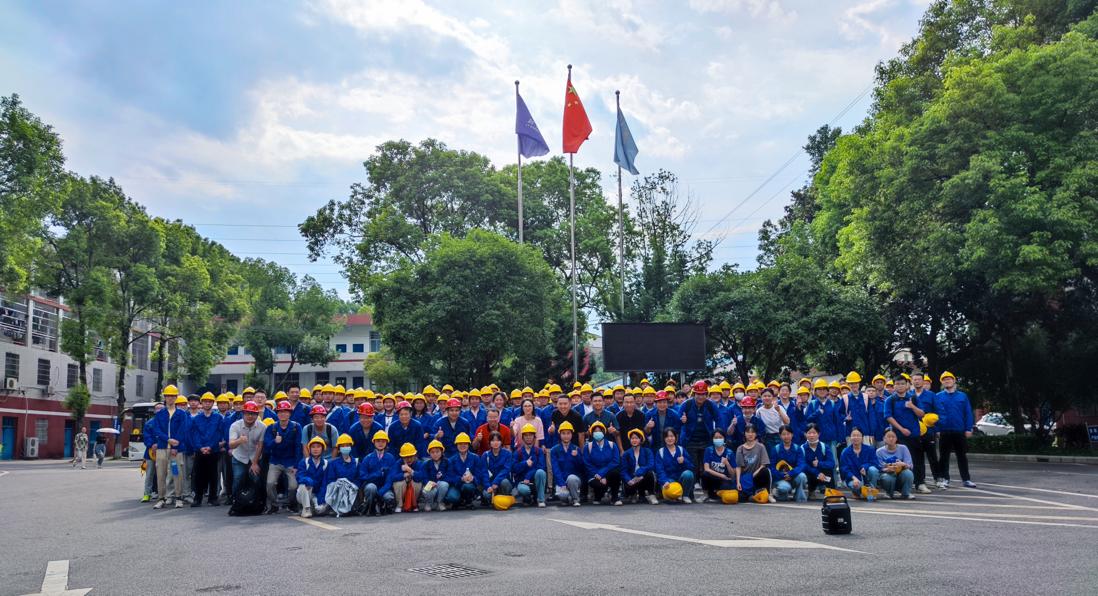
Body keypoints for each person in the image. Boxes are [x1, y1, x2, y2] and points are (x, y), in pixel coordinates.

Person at [150, 386, 190, 510]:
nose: (170, 398)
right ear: (165, 397)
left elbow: (183, 430)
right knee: (161, 474)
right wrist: (168, 440)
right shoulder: (160, 414)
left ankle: (178, 498)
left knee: (177, 473)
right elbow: (156, 430)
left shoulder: (181, 413)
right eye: (168, 396)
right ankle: (161, 498)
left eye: (173, 396)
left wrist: (175, 445)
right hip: (162, 448)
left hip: (176, 450)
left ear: (176, 397)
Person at [935, 371, 976, 488]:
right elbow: (934, 414)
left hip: (959, 430)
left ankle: (966, 479)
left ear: (954, 381)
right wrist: (937, 429)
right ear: (942, 382)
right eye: (945, 380)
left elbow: (968, 413)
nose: (947, 381)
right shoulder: (938, 396)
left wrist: (968, 428)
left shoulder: (962, 396)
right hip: (944, 430)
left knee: (962, 455)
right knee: (944, 456)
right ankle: (945, 478)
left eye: (949, 379)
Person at [884, 375, 926, 490]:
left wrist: (912, 406)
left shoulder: (913, 398)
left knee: (917, 459)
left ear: (907, 385)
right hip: (898, 436)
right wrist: (901, 429)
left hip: (914, 434)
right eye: (897, 384)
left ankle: (920, 483)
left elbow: (922, 414)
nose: (900, 386)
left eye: (902, 383)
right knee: (899, 461)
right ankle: (902, 485)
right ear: (894, 386)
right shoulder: (890, 400)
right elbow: (888, 417)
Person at [227, 400, 266, 507]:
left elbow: (260, 446)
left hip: (255, 457)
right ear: (243, 414)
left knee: (256, 479)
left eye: (253, 414)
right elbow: (231, 445)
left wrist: (255, 463)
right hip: (239, 457)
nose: (250, 416)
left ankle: (257, 501)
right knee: (238, 478)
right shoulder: (235, 426)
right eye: (247, 413)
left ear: (257, 415)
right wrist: (239, 440)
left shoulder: (262, 426)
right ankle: (235, 501)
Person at [264, 401, 302, 514]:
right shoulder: (271, 428)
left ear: (290, 413)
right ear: (277, 413)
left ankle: (291, 504)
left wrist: (296, 465)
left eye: (286, 412)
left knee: (293, 486)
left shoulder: (296, 427)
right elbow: (266, 446)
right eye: (280, 412)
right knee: (270, 483)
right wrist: (275, 442)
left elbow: (298, 447)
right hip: (275, 461)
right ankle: (274, 505)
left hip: (290, 461)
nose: (283, 414)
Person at [189, 392, 225, 507]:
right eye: (205, 401)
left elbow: (218, 434)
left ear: (212, 403)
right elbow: (194, 434)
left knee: (213, 475)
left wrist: (210, 446)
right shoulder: (197, 418)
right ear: (202, 403)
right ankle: (197, 498)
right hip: (200, 451)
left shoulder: (218, 417)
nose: (207, 403)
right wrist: (200, 447)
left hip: (213, 450)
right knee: (198, 475)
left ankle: (213, 498)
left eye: (209, 402)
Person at [680, 381, 720, 477]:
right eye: (698, 394)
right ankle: (694, 483)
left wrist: (718, 437)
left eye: (703, 394)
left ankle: (705, 483)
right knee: (693, 466)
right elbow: (677, 423)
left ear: (706, 394)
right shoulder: (686, 405)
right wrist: (682, 420)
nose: (700, 397)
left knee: (706, 467)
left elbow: (719, 421)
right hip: (690, 441)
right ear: (694, 394)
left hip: (707, 440)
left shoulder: (711, 405)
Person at [357, 430, 396, 515]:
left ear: (386, 443)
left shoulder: (391, 458)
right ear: (374, 442)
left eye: (383, 441)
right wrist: (377, 474)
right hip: (371, 486)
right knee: (371, 488)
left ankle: (382, 506)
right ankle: (370, 507)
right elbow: (363, 476)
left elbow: (390, 479)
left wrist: (381, 492)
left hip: (385, 487)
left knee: (389, 497)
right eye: (378, 441)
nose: (380, 443)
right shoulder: (367, 458)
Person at [583, 421, 622, 505]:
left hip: (608, 474)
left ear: (603, 432)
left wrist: (602, 474)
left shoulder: (612, 445)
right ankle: (598, 496)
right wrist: (598, 475)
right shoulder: (588, 447)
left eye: (599, 431)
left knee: (616, 474)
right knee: (598, 484)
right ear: (592, 433)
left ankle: (614, 497)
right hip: (594, 474)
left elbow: (615, 461)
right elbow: (587, 464)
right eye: (595, 431)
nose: (597, 433)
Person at [654, 428, 695, 504]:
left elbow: (691, 467)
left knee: (688, 474)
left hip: (680, 479)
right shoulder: (660, 451)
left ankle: (685, 496)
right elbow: (659, 470)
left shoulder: (681, 449)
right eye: (667, 436)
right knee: (672, 492)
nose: (670, 438)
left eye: (672, 436)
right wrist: (664, 481)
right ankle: (673, 496)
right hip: (668, 480)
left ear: (676, 437)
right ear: (664, 438)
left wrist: (684, 461)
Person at [444, 433, 484, 509]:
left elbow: (480, 474)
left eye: (465, 444)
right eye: (460, 444)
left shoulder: (475, 458)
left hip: (470, 485)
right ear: (456, 445)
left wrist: (473, 478)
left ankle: (468, 500)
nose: (462, 446)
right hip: (457, 485)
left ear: (468, 445)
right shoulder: (451, 460)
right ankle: (459, 500)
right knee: (452, 497)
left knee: (467, 487)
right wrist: (461, 479)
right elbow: (448, 477)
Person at [512, 424, 547, 507]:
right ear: (522, 437)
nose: (528, 437)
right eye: (526, 435)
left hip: (535, 481)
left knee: (541, 472)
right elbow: (514, 468)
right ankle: (527, 498)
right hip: (522, 481)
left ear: (534, 437)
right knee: (523, 490)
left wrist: (528, 476)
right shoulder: (518, 452)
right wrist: (525, 463)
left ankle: (540, 499)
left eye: (530, 435)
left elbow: (541, 467)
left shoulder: (539, 451)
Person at [840, 428, 880, 501]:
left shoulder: (870, 449)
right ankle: (857, 492)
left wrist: (865, 467)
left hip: (867, 477)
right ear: (850, 437)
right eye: (853, 435)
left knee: (873, 470)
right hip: (853, 479)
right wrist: (853, 478)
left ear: (862, 437)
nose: (856, 437)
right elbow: (844, 469)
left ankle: (871, 491)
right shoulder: (845, 452)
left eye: (858, 435)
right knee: (857, 486)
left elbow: (875, 463)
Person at [735, 424, 772, 502]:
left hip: (757, 476)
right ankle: (752, 496)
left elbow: (764, 464)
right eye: (748, 432)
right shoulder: (740, 448)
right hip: (746, 478)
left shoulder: (761, 447)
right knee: (740, 498)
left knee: (765, 471)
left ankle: (768, 494)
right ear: (744, 433)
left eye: (752, 432)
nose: (750, 434)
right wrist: (738, 482)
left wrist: (754, 474)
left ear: (756, 434)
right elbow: (738, 467)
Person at [550, 421, 584, 506]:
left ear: (572, 434)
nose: (566, 436)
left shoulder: (576, 448)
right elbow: (555, 469)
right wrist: (561, 483)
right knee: (563, 495)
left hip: (574, 481)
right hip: (561, 480)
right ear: (560, 434)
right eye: (563, 433)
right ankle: (567, 498)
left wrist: (577, 457)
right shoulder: (554, 450)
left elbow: (581, 468)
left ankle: (575, 499)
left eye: (568, 433)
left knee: (571, 478)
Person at [621, 429, 659, 505]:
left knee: (650, 473)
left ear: (641, 439)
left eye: (636, 438)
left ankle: (651, 495)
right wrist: (629, 480)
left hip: (642, 477)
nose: (634, 440)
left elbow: (651, 464)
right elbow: (623, 470)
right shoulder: (626, 454)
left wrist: (640, 472)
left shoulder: (647, 451)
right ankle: (633, 495)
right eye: (632, 438)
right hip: (632, 479)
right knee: (626, 483)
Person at [295, 437, 329, 517]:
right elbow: (299, 476)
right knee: (303, 485)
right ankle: (306, 509)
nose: (315, 449)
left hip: (318, 494)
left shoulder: (326, 464)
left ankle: (314, 506)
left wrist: (320, 499)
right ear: (309, 449)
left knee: (320, 510)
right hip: (304, 493)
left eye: (318, 447)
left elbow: (325, 483)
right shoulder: (304, 462)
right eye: (313, 447)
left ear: (322, 449)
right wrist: (308, 481)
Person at [771, 425, 807, 502]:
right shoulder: (775, 449)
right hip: (780, 478)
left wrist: (790, 473)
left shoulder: (797, 448)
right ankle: (778, 492)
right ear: (780, 436)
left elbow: (801, 465)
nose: (786, 436)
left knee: (802, 476)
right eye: (784, 434)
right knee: (784, 489)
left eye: (788, 434)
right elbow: (772, 468)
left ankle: (799, 497)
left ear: (792, 434)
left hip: (793, 476)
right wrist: (783, 475)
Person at [877, 428, 915, 499]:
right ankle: (889, 493)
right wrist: (887, 469)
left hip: (901, 474)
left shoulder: (903, 448)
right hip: (888, 474)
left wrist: (903, 464)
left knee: (908, 473)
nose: (891, 439)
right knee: (886, 477)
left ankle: (906, 493)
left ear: (896, 438)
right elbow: (879, 468)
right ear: (884, 438)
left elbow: (909, 465)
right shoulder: (879, 451)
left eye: (893, 437)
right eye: (888, 437)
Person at [701, 429, 737, 502]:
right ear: (712, 439)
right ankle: (706, 494)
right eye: (716, 437)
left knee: (727, 490)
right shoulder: (709, 450)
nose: (718, 439)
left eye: (720, 437)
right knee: (705, 474)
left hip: (725, 479)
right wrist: (721, 475)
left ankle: (717, 495)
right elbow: (706, 468)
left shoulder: (730, 452)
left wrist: (727, 463)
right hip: (713, 478)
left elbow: (733, 474)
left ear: (724, 438)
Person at [801, 423, 834, 498]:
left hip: (823, 474)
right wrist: (817, 473)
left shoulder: (824, 446)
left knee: (829, 471)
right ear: (805, 434)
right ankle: (811, 490)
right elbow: (803, 465)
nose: (811, 435)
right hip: (810, 474)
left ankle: (831, 492)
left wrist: (819, 464)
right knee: (806, 472)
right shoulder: (802, 448)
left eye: (814, 433)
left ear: (819, 434)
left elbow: (832, 463)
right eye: (809, 433)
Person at [482, 431, 514, 503]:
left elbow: (506, 470)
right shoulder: (485, 455)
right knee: (486, 495)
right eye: (493, 440)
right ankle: (493, 498)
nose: (495, 442)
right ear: (489, 442)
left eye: (498, 440)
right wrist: (488, 486)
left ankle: (504, 496)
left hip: (503, 481)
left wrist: (496, 482)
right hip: (490, 483)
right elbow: (484, 472)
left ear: (501, 442)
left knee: (504, 483)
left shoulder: (507, 453)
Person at [419, 440, 450, 512]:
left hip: (440, 483)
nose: (435, 454)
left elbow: (450, 475)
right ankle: (428, 503)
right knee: (427, 490)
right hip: (430, 483)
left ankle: (440, 502)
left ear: (442, 452)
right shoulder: (426, 464)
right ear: (429, 453)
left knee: (444, 484)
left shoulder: (447, 462)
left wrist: (440, 480)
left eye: (437, 452)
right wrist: (429, 482)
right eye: (432, 452)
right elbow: (423, 477)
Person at [391, 443, 421, 513]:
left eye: (411, 456)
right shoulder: (398, 463)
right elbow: (392, 477)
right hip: (402, 490)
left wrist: (411, 471)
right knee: (398, 483)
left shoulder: (419, 463)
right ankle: (399, 505)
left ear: (414, 456)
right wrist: (403, 475)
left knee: (418, 483)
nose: (409, 459)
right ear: (402, 457)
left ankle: (414, 504)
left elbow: (422, 476)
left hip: (413, 489)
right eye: (406, 457)